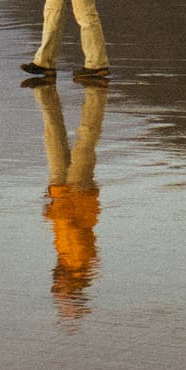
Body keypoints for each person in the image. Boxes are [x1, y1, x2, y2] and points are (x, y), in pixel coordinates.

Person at [32, 73, 107, 316]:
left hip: (60, 192)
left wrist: (52, 211)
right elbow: (75, 227)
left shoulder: (65, 259)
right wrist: (53, 214)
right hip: (79, 193)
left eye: (57, 289)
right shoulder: (81, 260)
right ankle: (95, 95)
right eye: (60, 290)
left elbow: (64, 227)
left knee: (52, 134)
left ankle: (47, 93)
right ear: (73, 286)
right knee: (85, 137)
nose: (56, 284)